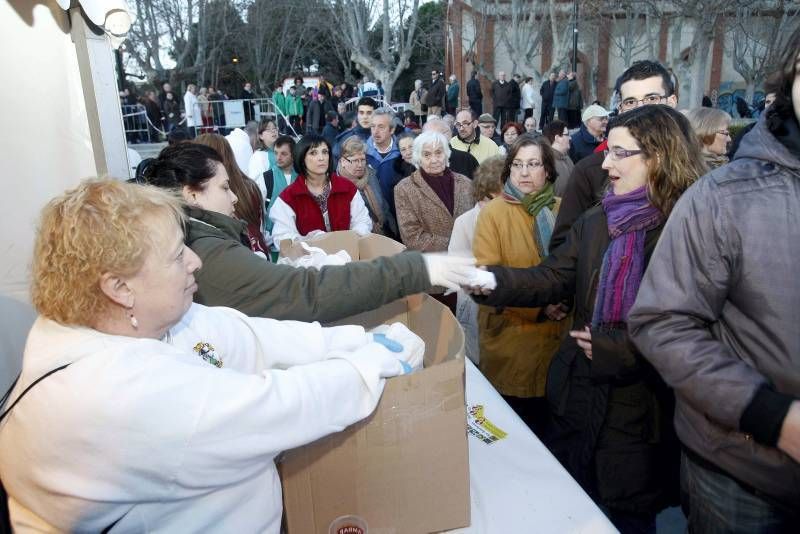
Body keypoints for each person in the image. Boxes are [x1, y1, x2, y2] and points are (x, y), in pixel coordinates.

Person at [0, 178, 424, 532]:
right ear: (119, 288)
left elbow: (251, 338)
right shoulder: (110, 396)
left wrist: (358, 340)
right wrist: (369, 365)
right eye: (175, 255)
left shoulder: (138, 320)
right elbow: (278, 407)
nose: (196, 262)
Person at [471, 105, 706, 533]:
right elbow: (551, 276)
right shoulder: (598, 220)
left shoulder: (690, 227)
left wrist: (618, 348)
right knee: (571, 506)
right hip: (577, 393)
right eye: (606, 150)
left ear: (657, 157)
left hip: (641, 411)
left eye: (618, 153)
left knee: (626, 516)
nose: (604, 162)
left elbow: (695, 328)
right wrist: (486, 280)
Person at [628, 34, 800, 532]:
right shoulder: (722, 196)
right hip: (745, 478)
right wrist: (768, 415)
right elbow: (660, 319)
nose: (612, 162)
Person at [142, 142, 475, 321]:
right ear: (192, 193)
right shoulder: (208, 253)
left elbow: (362, 223)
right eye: (225, 187)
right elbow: (306, 292)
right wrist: (419, 268)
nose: (233, 197)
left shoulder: (197, 238)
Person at [472, 136, 569, 435]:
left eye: (533, 164)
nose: (524, 173)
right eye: (517, 165)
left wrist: (565, 300)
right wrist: (541, 307)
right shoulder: (494, 214)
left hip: (560, 341)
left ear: (548, 171)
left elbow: (576, 266)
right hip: (512, 341)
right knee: (517, 434)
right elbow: (486, 278)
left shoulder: (564, 209)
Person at [550, 60, 678, 252]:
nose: (640, 109)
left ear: (671, 102)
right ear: (620, 107)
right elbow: (562, 249)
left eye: (651, 99)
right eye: (630, 102)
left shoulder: (695, 175)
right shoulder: (591, 171)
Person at [269, 134, 371, 244]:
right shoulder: (289, 197)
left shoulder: (347, 188)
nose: (321, 158)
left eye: (325, 152)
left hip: (348, 255)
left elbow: (363, 221)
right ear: (302, 158)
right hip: (309, 259)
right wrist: (311, 242)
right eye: (313, 153)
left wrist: (348, 239)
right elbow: (283, 236)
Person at [395, 131, 473, 252]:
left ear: (446, 154)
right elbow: (412, 236)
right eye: (427, 155)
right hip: (432, 264)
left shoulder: (466, 183)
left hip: (469, 257)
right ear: (418, 158)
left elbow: (477, 221)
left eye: (438, 152)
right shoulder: (404, 189)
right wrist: (455, 244)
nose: (434, 160)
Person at [194, 134, 268, 256]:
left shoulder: (208, 193)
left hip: (238, 258)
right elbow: (260, 227)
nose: (234, 198)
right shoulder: (250, 186)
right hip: (258, 252)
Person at [338, 136, 397, 238]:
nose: (360, 165)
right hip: (361, 239)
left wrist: (394, 231)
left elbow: (384, 207)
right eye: (355, 160)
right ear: (343, 161)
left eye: (362, 160)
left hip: (387, 234)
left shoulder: (371, 175)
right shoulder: (337, 186)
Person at [365, 107, 403, 218]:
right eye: (373, 126)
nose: (375, 131)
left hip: (399, 215)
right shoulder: (362, 153)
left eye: (381, 127)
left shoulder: (404, 153)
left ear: (392, 130)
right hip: (373, 218)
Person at [334, 97, 377, 161]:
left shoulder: (384, 137)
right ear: (357, 114)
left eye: (369, 113)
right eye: (361, 113)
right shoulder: (345, 139)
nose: (365, 117)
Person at [543, 119, 574, 196]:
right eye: (567, 135)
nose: (570, 138)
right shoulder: (546, 162)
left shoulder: (567, 158)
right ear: (557, 138)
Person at [247, 117, 279, 183]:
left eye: (274, 128)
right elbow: (256, 181)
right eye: (268, 129)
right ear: (261, 136)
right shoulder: (258, 156)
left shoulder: (282, 150)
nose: (273, 131)